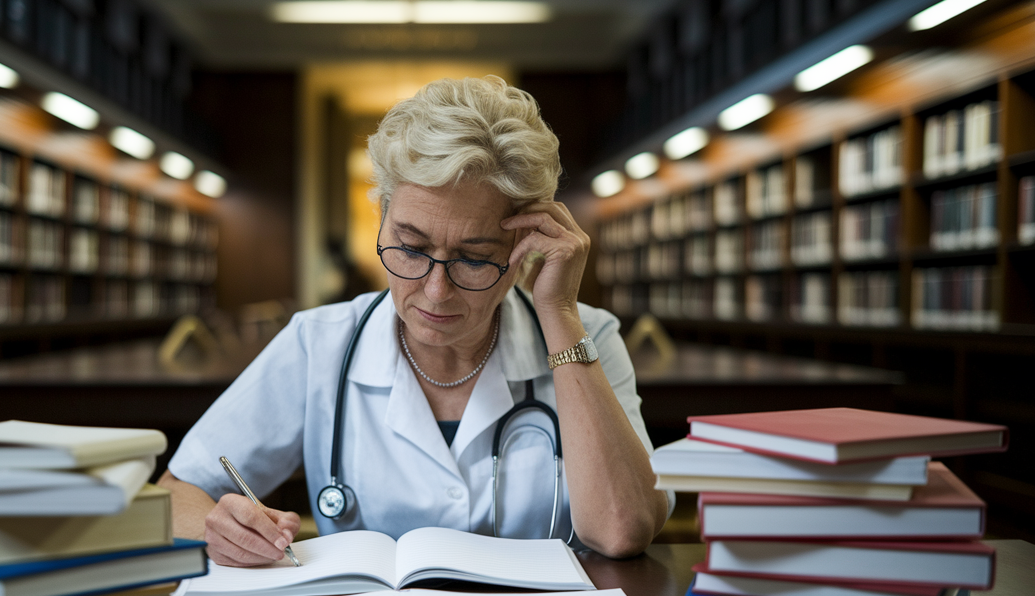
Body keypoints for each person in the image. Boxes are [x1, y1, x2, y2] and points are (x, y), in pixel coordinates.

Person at [160, 76, 670, 566]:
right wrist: (219, 530)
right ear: (383, 214)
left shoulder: (589, 336)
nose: (435, 289)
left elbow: (622, 530)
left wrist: (558, 313)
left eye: (473, 258)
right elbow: (177, 492)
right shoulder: (319, 345)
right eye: (410, 247)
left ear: (525, 246)